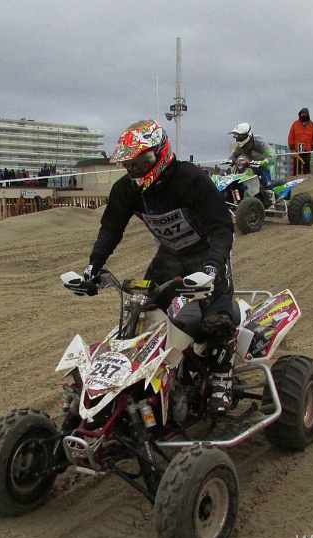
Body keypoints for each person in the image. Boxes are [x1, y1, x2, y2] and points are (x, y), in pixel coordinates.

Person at [83, 119, 239, 414]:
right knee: (140, 315)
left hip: (206, 253)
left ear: (160, 153)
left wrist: (213, 266)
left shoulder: (191, 180)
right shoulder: (126, 190)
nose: (136, 169)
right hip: (168, 257)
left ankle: (222, 377)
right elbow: (111, 228)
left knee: (217, 318)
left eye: (142, 160)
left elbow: (222, 228)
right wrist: (94, 265)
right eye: (130, 163)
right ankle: (140, 379)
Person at [227, 123, 276, 191]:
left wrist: (264, 161)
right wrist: (231, 160)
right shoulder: (240, 147)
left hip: (266, 165)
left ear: (248, 135)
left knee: (264, 175)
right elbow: (234, 154)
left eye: (240, 137)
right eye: (237, 137)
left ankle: (271, 195)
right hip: (251, 166)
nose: (238, 140)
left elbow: (272, 154)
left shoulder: (259, 142)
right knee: (239, 177)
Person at [287, 108, 313, 176]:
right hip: (297, 148)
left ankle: (306, 177)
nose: (303, 115)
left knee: (306, 164)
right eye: (302, 114)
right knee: (296, 164)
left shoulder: (311, 125)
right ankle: (295, 177)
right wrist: (291, 144)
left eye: (305, 114)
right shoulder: (295, 124)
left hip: (307, 148)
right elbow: (291, 135)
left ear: (307, 114)